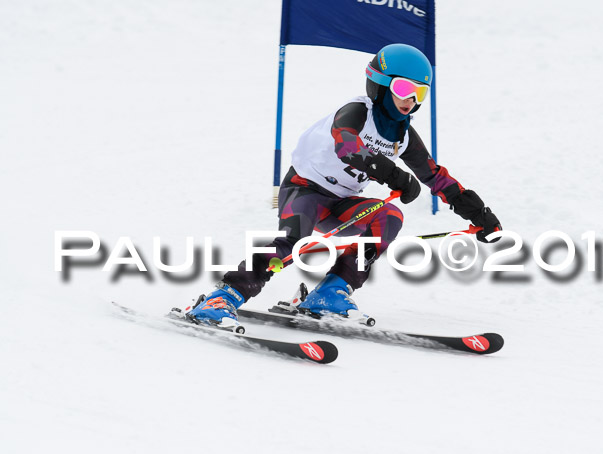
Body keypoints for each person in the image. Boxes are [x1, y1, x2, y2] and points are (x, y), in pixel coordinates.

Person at [187, 43, 502, 328]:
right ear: (380, 84)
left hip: (340, 204)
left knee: (389, 216)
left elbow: (438, 178)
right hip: (304, 190)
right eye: (404, 88)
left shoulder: (404, 136)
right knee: (293, 243)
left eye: (419, 93)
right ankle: (224, 297)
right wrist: (392, 175)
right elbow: (347, 147)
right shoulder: (356, 112)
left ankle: (332, 290)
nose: (410, 100)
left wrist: (479, 214)